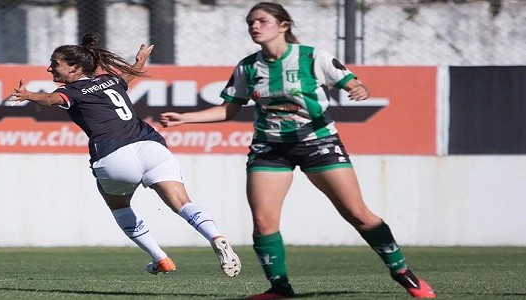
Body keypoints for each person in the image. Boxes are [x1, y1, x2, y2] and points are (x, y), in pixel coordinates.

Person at [159, 2, 435, 299]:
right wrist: (185, 118)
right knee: (264, 222)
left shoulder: (311, 57)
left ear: (283, 25)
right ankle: (280, 289)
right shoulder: (248, 66)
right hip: (269, 148)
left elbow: (353, 83)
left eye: (262, 21)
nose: (254, 26)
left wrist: (359, 89)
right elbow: (229, 109)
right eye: (250, 22)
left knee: (357, 213)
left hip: (318, 142)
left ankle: (402, 272)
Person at [8, 33, 241, 278]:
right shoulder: (110, 80)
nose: (49, 68)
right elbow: (129, 75)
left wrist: (30, 95)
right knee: (183, 203)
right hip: (151, 148)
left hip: (114, 156)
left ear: (74, 67)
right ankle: (215, 235)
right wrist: (140, 60)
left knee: (118, 205)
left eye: (55, 64)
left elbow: (51, 99)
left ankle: (160, 258)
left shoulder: (73, 91)